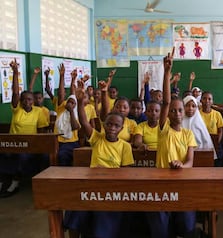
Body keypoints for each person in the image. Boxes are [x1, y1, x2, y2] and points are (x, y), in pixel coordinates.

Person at [64, 80, 134, 238]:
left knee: (103, 216)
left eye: (116, 126)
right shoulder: (97, 138)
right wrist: (81, 102)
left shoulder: (125, 147)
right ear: (104, 125)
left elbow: (127, 173)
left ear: (121, 128)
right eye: (109, 125)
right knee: (74, 207)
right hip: (92, 184)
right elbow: (83, 122)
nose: (112, 128)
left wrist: (108, 175)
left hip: (112, 187)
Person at [146, 48, 199, 238]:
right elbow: (166, 101)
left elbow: (190, 162)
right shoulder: (164, 130)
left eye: (180, 111)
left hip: (182, 181)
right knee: (159, 226)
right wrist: (167, 73)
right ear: (167, 114)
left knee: (187, 224)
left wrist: (181, 165)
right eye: (173, 111)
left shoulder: (188, 134)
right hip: (161, 182)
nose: (176, 113)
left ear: (184, 113)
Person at [0, 59, 49, 198]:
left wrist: (40, 147)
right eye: (24, 99)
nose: (27, 102)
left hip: (30, 145)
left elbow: (41, 131)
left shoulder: (38, 112)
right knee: (5, 154)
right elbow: (15, 93)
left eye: (29, 99)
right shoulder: (17, 110)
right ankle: (4, 181)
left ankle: (15, 182)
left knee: (22, 157)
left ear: (33, 101)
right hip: (13, 144)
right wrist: (15, 73)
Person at [54, 64, 80, 166]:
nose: (70, 104)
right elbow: (61, 94)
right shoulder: (61, 108)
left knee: (63, 155)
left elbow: (75, 127)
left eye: (73, 103)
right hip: (56, 141)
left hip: (71, 142)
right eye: (68, 102)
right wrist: (62, 76)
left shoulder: (76, 113)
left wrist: (71, 111)